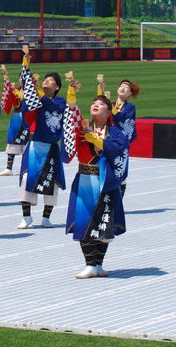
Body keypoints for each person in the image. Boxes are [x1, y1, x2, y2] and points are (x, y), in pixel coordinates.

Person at [64, 85, 129, 279]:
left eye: (101, 104)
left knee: (104, 222)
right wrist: (72, 96)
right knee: (84, 221)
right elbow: (70, 119)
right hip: (85, 180)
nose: (96, 105)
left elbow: (120, 148)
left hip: (105, 182)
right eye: (94, 103)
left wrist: (97, 141)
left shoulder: (115, 133)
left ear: (109, 112)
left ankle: (98, 264)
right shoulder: (82, 127)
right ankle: (90, 263)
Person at [17, 48, 67, 229]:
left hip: (51, 147)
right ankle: (26, 216)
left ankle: (46, 217)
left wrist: (35, 87)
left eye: (50, 81)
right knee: (26, 179)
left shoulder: (60, 102)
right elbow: (30, 106)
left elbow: (48, 103)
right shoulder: (37, 100)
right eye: (45, 80)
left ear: (57, 87)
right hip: (34, 145)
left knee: (52, 182)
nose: (46, 82)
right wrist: (26, 70)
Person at [98, 76, 140, 196]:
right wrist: (100, 90)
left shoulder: (130, 108)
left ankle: (118, 202)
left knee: (120, 171)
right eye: (121, 86)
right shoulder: (110, 104)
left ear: (129, 94)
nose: (123, 88)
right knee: (105, 169)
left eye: (126, 87)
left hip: (120, 144)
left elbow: (121, 117)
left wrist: (108, 105)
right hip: (107, 142)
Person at [0, 64, 30, 177]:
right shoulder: (16, 89)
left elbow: (26, 100)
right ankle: (8, 168)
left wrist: (15, 92)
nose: (21, 79)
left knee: (27, 143)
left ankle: (27, 167)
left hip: (28, 117)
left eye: (24, 77)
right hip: (16, 117)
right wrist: (6, 77)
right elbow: (8, 88)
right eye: (20, 77)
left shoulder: (33, 91)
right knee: (12, 141)